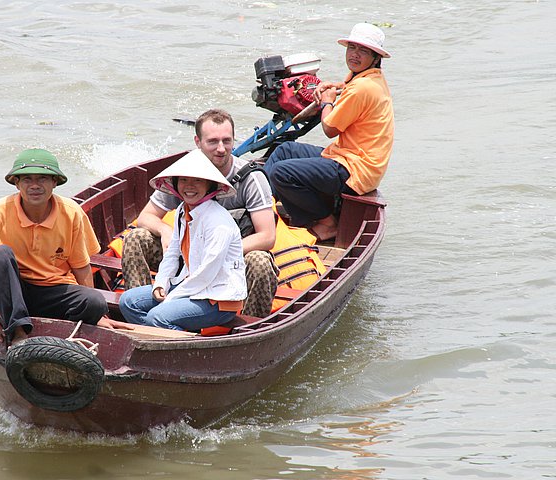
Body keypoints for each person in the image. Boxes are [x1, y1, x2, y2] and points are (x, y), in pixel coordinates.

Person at [0, 148, 131, 347]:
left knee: (95, 301)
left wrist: (97, 315)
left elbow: (81, 266)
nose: (35, 186)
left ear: (54, 182)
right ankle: (18, 332)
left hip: (52, 291)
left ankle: (57, 327)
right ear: (17, 183)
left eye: (43, 179)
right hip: (9, 289)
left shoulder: (71, 213)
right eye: (27, 179)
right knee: (1, 254)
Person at [122, 109, 278, 318]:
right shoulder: (185, 175)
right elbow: (145, 217)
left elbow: (267, 237)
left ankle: (250, 327)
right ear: (198, 142)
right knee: (135, 238)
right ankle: (144, 313)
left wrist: (220, 253)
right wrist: (165, 230)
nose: (221, 149)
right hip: (187, 257)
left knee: (260, 261)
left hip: (231, 262)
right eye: (213, 141)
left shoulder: (251, 179)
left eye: (227, 141)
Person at [264, 22, 394, 242]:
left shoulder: (363, 87)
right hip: (347, 156)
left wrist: (326, 102)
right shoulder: (366, 78)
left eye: (363, 51)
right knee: (284, 150)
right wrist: (330, 87)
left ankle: (327, 223)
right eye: (352, 48)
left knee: (281, 172)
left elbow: (330, 128)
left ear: (375, 58)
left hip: (356, 169)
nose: (355, 55)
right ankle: (261, 208)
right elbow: (347, 89)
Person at [119, 149, 247, 331]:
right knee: (128, 302)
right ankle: (160, 339)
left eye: (197, 180)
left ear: (209, 185)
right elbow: (172, 253)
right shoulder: (182, 211)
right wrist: (161, 283)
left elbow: (207, 273)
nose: (189, 186)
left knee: (157, 316)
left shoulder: (218, 221)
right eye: (184, 180)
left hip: (218, 298)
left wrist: (170, 299)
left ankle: (174, 349)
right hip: (188, 286)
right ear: (176, 184)